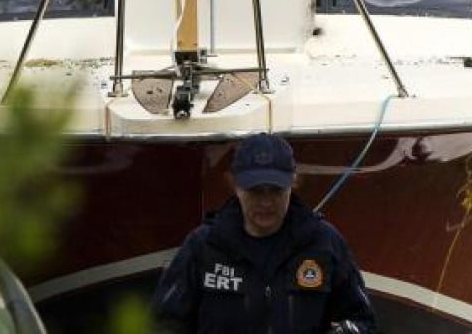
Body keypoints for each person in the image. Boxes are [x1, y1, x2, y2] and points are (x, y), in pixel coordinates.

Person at [150, 133, 379, 333]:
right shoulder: (203, 245)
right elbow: (164, 323)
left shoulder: (325, 243)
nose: (266, 202)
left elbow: (362, 321)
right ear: (236, 186)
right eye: (255, 191)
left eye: (276, 190)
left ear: (293, 183)